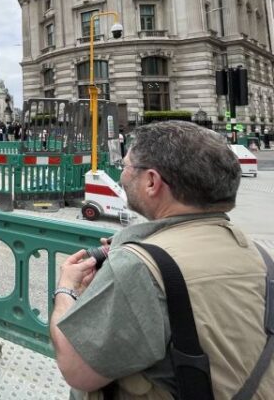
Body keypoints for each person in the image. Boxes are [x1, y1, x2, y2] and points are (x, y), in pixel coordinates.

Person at [50, 121, 273, 399]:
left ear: (152, 182)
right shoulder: (263, 256)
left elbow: (76, 370)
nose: (121, 176)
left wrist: (66, 291)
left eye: (125, 166)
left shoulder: (139, 266)